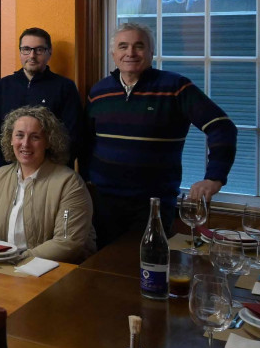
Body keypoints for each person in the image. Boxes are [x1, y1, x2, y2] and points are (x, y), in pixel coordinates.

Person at [84, 22, 237, 247]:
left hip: (153, 205)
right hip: (104, 203)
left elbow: (222, 127)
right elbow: (87, 141)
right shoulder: (99, 92)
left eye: (139, 46)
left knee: (149, 271)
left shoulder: (175, 87)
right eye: (123, 46)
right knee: (104, 270)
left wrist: (214, 177)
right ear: (113, 53)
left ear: (151, 52)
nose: (130, 53)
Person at [0, 106, 96, 264]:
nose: (25, 144)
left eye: (35, 137)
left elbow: (68, 242)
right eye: (19, 135)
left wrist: (18, 259)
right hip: (2, 266)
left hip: (52, 271)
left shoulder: (69, 183)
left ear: (48, 141)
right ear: (10, 139)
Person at [0, 27, 82, 171]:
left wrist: (51, 169)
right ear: (20, 52)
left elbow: (73, 135)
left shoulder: (65, 87)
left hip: (50, 173)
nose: (32, 55)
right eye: (26, 49)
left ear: (49, 52)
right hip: (7, 171)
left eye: (39, 50)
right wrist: (3, 168)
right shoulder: (2, 86)